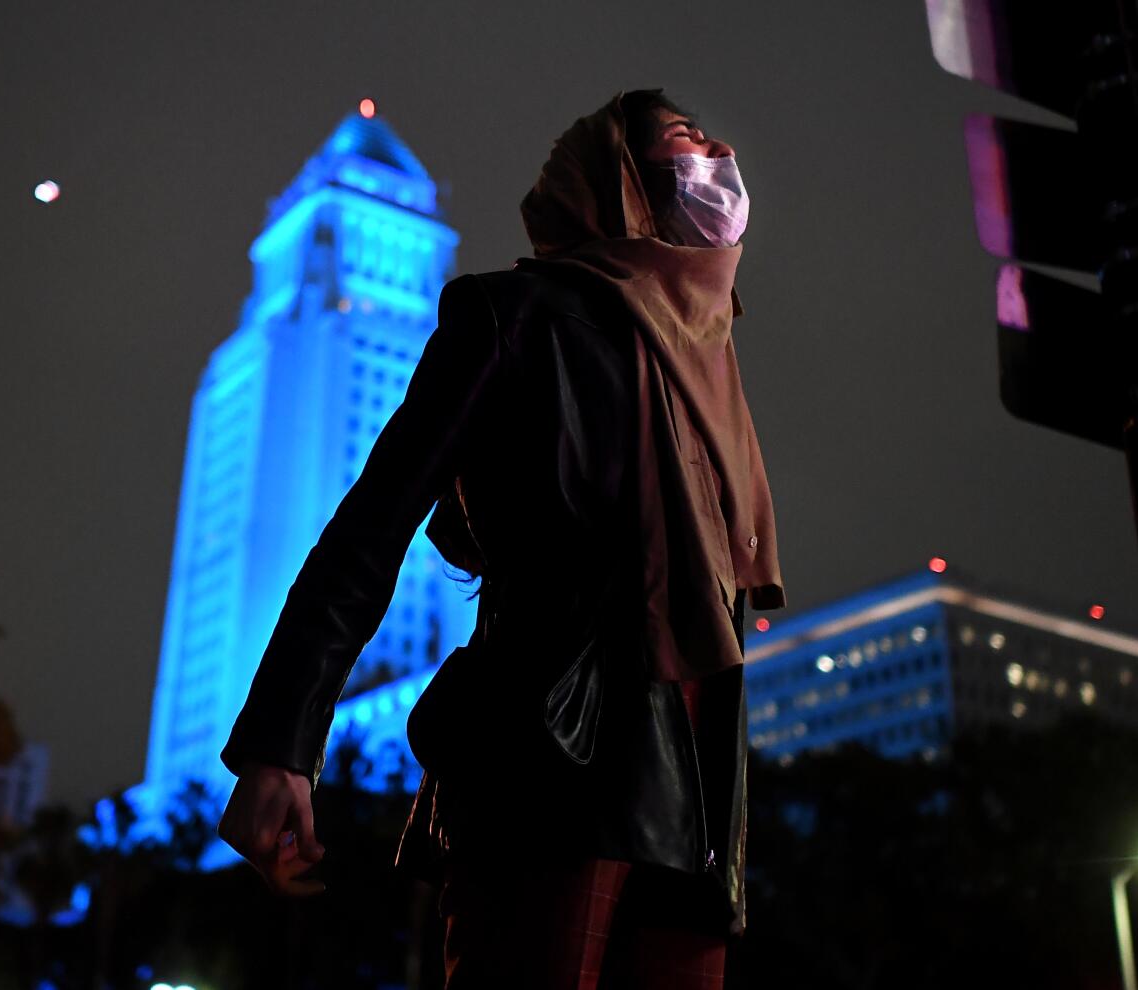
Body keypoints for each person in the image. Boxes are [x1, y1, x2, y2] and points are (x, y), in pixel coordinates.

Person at [216, 89, 786, 989]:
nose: (715, 152)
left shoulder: (707, 359)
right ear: (622, 181)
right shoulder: (514, 315)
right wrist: (282, 741)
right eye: (683, 140)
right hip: (552, 765)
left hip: (699, 785)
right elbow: (373, 526)